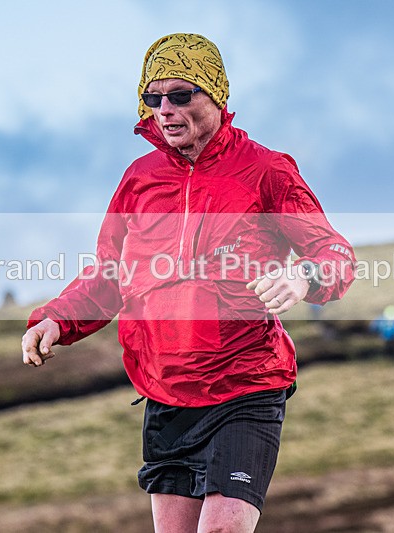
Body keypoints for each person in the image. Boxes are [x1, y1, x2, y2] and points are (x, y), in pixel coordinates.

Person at [21, 33, 355, 532]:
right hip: (167, 394)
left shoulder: (267, 170)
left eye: (180, 95)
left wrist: (303, 276)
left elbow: (335, 254)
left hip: (245, 387)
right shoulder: (139, 179)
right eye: (153, 98)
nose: (165, 110)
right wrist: (56, 319)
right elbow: (109, 274)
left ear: (215, 95)